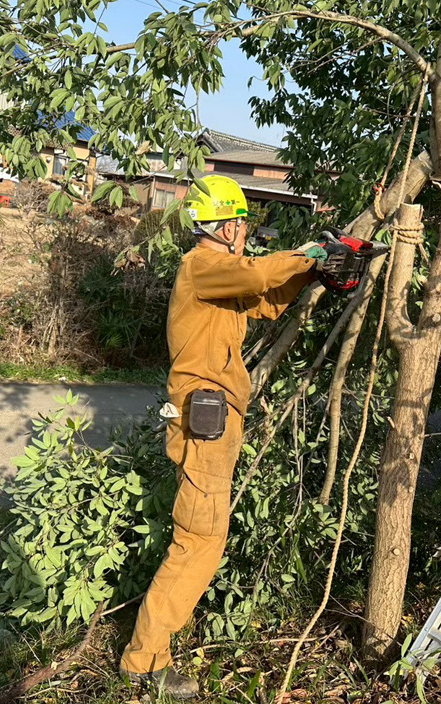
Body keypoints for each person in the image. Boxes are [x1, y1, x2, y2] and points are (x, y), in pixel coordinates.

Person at [120, 175, 331, 699]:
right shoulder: (204, 267)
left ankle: (149, 652)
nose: (245, 233)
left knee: (202, 538)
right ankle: (145, 661)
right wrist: (309, 253)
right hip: (203, 421)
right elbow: (259, 273)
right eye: (242, 224)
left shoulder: (221, 280)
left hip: (213, 417)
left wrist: (317, 272)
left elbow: (267, 297)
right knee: (198, 540)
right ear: (231, 225)